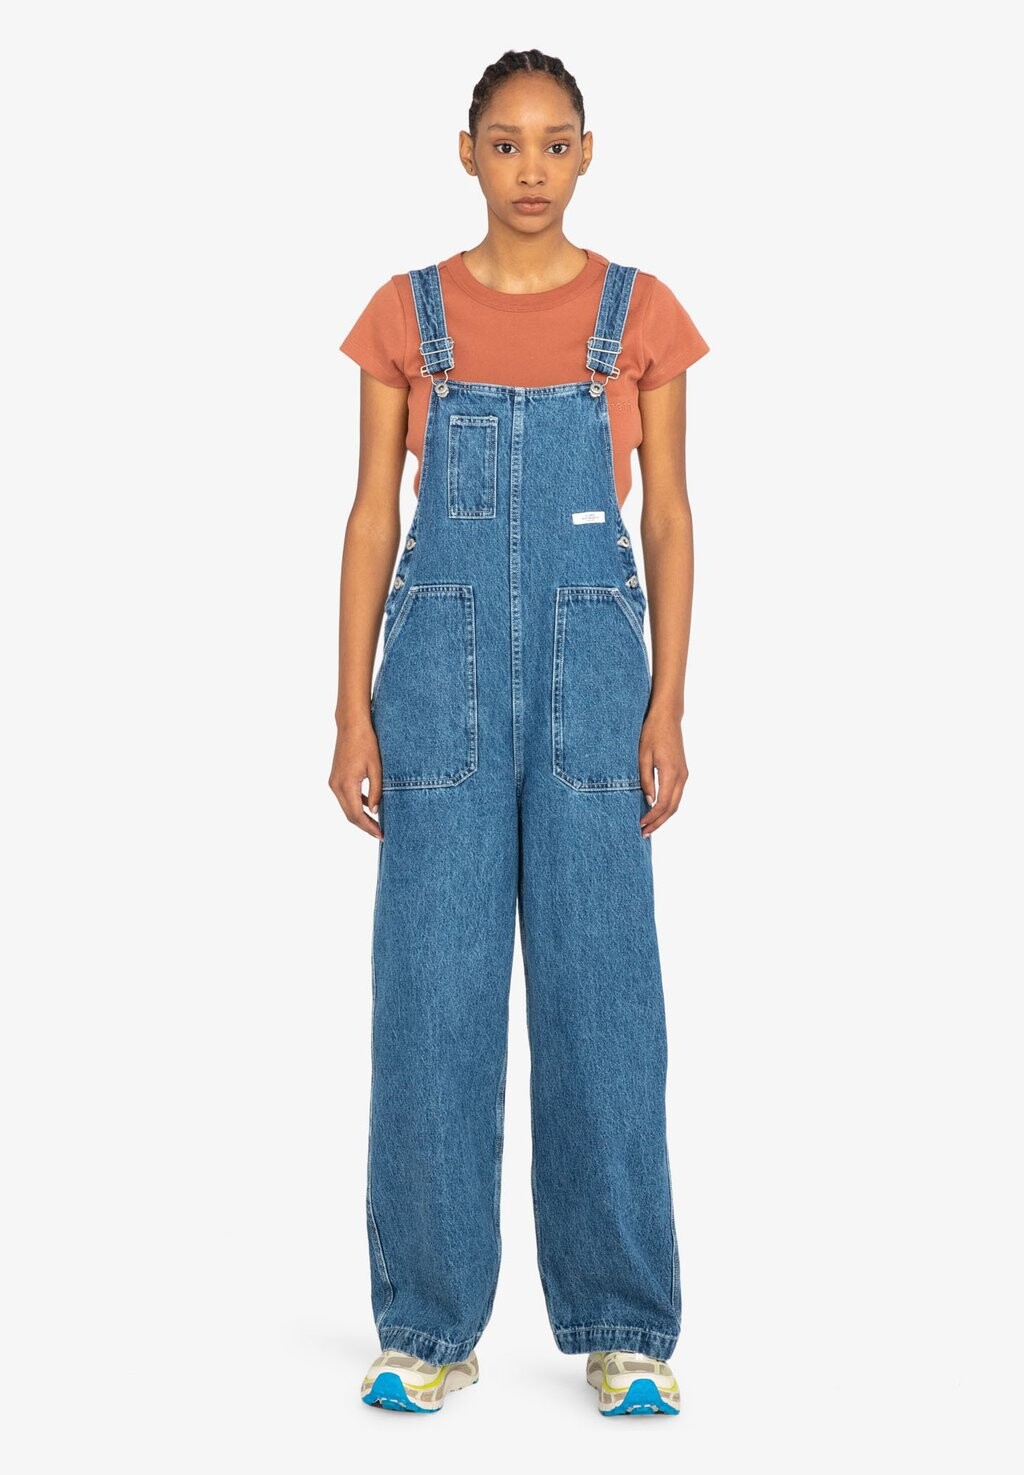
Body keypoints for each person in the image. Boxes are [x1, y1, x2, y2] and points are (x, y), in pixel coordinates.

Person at [329, 47, 709, 1418]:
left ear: (587, 153)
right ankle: (426, 1327)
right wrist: (349, 707)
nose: (531, 168)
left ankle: (626, 1328)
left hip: (596, 681)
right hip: (435, 680)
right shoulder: (407, 315)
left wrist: (669, 701)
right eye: (506, 142)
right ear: (468, 152)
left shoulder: (640, 313)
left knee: (604, 995)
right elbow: (374, 515)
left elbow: (669, 518)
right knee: (432, 995)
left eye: (555, 143)